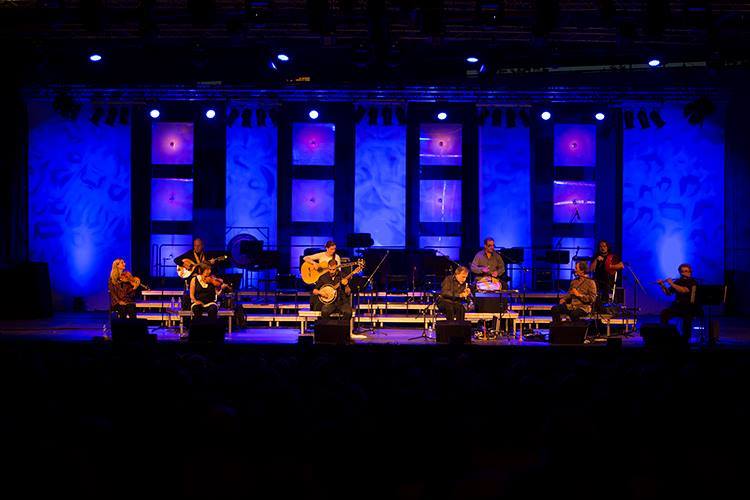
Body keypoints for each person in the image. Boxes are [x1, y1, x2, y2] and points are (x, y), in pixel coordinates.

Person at [658, 263, 701, 342]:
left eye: (686, 271)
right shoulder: (678, 281)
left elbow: (684, 290)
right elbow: (668, 293)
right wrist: (662, 285)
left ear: (690, 272)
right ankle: (666, 335)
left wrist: (671, 283)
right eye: (682, 271)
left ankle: (686, 339)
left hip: (690, 307)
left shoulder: (693, 281)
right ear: (680, 273)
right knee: (664, 314)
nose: (684, 273)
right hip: (678, 306)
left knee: (687, 320)